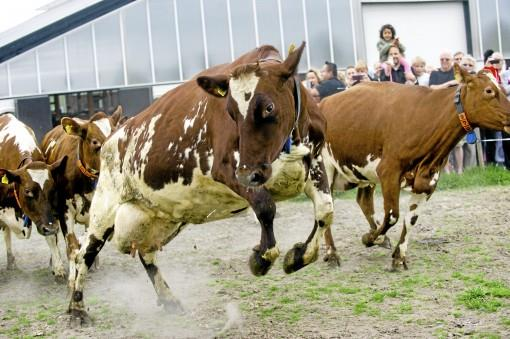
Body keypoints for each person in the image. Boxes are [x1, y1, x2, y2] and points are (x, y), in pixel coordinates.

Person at [429, 51, 460, 173]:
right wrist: (449, 84)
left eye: (447, 59)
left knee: (458, 144)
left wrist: (443, 87)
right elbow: (432, 88)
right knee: (443, 143)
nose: (444, 61)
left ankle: (460, 170)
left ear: (451, 60)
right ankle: (446, 170)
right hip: (439, 113)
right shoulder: (435, 73)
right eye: (442, 59)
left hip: (455, 111)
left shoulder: (456, 73)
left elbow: (460, 85)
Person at [459, 54, 479, 169]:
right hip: (458, 116)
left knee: (471, 145)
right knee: (458, 145)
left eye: (470, 65)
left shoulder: (477, 80)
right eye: (465, 64)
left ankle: (470, 170)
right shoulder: (457, 80)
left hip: (472, 117)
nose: (467, 67)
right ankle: (458, 171)